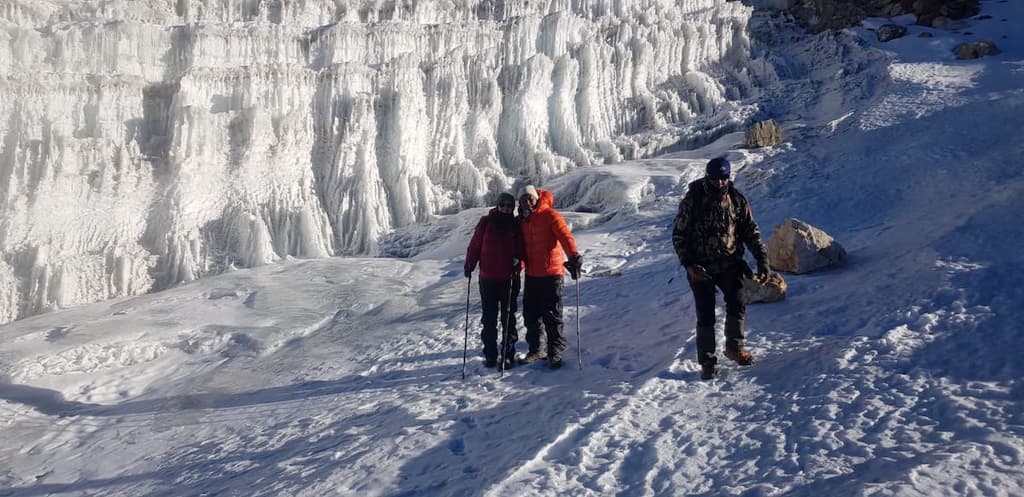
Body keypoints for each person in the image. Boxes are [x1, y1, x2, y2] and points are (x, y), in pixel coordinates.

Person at [671, 157, 771, 380]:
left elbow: (749, 231)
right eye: (715, 179)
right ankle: (707, 361)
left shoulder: (737, 200)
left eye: (723, 178)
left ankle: (734, 348)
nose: (719, 183)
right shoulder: (692, 202)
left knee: (737, 303)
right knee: (705, 314)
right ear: (708, 177)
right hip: (701, 267)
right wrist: (688, 265)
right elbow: (679, 236)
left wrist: (762, 259)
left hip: (730, 263)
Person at [517, 185, 583, 369]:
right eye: (523, 200)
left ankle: (555, 352)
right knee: (531, 315)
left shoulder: (550, 215)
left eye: (529, 198)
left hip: (551, 274)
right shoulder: (523, 220)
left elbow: (565, 236)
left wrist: (574, 256)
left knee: (552, 315)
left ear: (536, 198)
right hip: (532, 274)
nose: (526, 202)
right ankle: (537, 349)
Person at [465, 193, 526, 369]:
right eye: (503, 205)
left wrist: (518, 262)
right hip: (488, 279)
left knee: (508, 319)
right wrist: (470, 264)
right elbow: (475, 244)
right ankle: (490, 355)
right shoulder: (486, 222)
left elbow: (523, 251)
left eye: (510, 206)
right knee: (489, 319)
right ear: (497, 205)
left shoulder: (516, 225)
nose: (506, 208)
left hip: (509, 279)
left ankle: (507, 355)